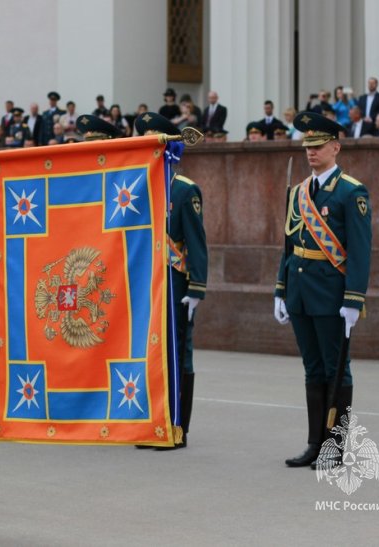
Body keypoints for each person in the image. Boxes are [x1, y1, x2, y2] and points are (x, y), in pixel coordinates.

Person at [274, 112, 371, 468]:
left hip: (332, 295)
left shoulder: (351, 191)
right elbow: (288, 245)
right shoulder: (298, 192)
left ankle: (335, 447)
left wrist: (354, 298)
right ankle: (315, 443)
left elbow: (361, 250)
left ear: (336, 147)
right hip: (300, 292)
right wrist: (281, 289)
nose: (311, 153)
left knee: (336, 370)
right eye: (307, 147)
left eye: (318, 146)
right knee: (312, 369)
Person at [135, 112, 207, 450]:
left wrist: (196, 288)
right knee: (148, 353)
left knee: (176, 354)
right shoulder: (136, 189)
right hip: (144, 282)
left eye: (157, 144)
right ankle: (153, 422)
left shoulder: (183, 191)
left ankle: (177, 426)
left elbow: (196, 243)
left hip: (175, 281)